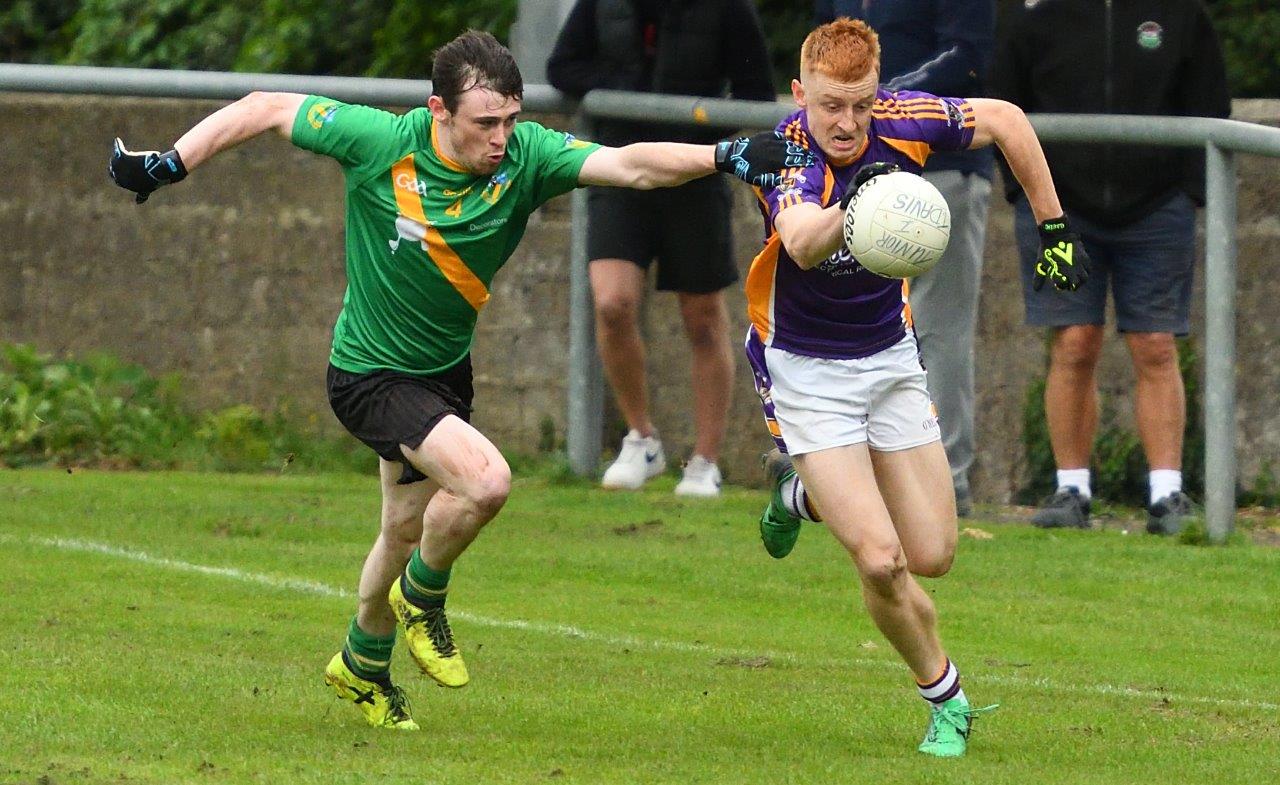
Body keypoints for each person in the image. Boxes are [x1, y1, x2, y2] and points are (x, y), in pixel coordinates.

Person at [107, 30, 809, 731]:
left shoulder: (527, 156)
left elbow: (628, 165)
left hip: (442, 373)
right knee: (486, 481)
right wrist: (170, 163)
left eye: (510, 120)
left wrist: (723, 156)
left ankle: (362, 661)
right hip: (368, 373)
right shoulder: (380, 141)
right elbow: (262, 106)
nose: (502, 138)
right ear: (438, 110)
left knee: (403, 529)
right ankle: (424, 597)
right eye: (485, 124)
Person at [745, 19, 1088, 757]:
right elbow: (802, 244)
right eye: (831, 104)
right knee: (879, 558)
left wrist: (1053, 226)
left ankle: (802, 495)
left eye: (862, 105)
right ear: (801, 92)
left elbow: (1005, 118)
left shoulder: (905, 119)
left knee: (932, 552)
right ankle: (947, 697)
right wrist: (863, 202)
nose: (846, 122)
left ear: (879, 94)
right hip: (803, 367)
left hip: (888, 355)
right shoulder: (785, 151)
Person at [991, 0, 1230, 534]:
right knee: (1074, 341)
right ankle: (1071, 488)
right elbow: (1003, 107)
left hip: (1157, 211)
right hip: (1058, 212)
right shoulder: (1035, 16)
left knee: (1156, 345)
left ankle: (1167, 496)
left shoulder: (1181, 13)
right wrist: (1027, 194)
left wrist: (1187, 193)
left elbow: (1211, 102)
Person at [546, 0, 777, 497]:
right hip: (619, 168)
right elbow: (562, 67)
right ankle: (642, 438)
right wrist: (627, 100)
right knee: (612, 302)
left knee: (702, 317)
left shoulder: (729, 9)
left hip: (694, 178)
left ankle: (704, 461)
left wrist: (689, 130)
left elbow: (755, 92)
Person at [814, 0, 995, 517]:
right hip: (855, 171)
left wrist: (883, 102)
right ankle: (857, 472)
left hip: (939, 169)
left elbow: (970, 57)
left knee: (938, 328)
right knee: (852, 323)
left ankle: (947, 480)